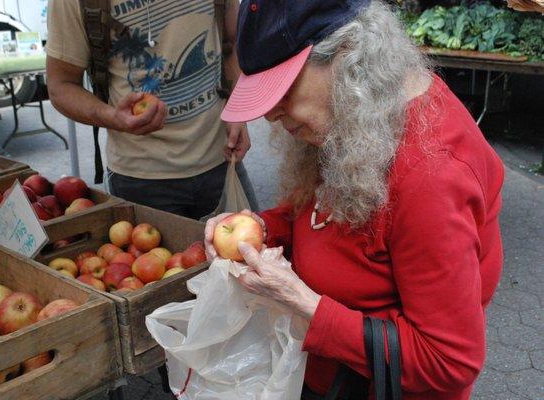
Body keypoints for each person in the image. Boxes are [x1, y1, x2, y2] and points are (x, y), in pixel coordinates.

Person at [204, 1, 505, 399]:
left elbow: (448, 362)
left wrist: (307, 307)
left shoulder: (432, 174)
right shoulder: (358, 112)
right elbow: (327, 214)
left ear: (347, 54)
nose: (271, 114)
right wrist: (263, 230)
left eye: (281, 90)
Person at [45, 0, 258, 219]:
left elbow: (231, 43)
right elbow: (60, 86)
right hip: (141, 180)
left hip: (223, 160)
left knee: (256, 248)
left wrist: (238, 110)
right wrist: (114, 117)